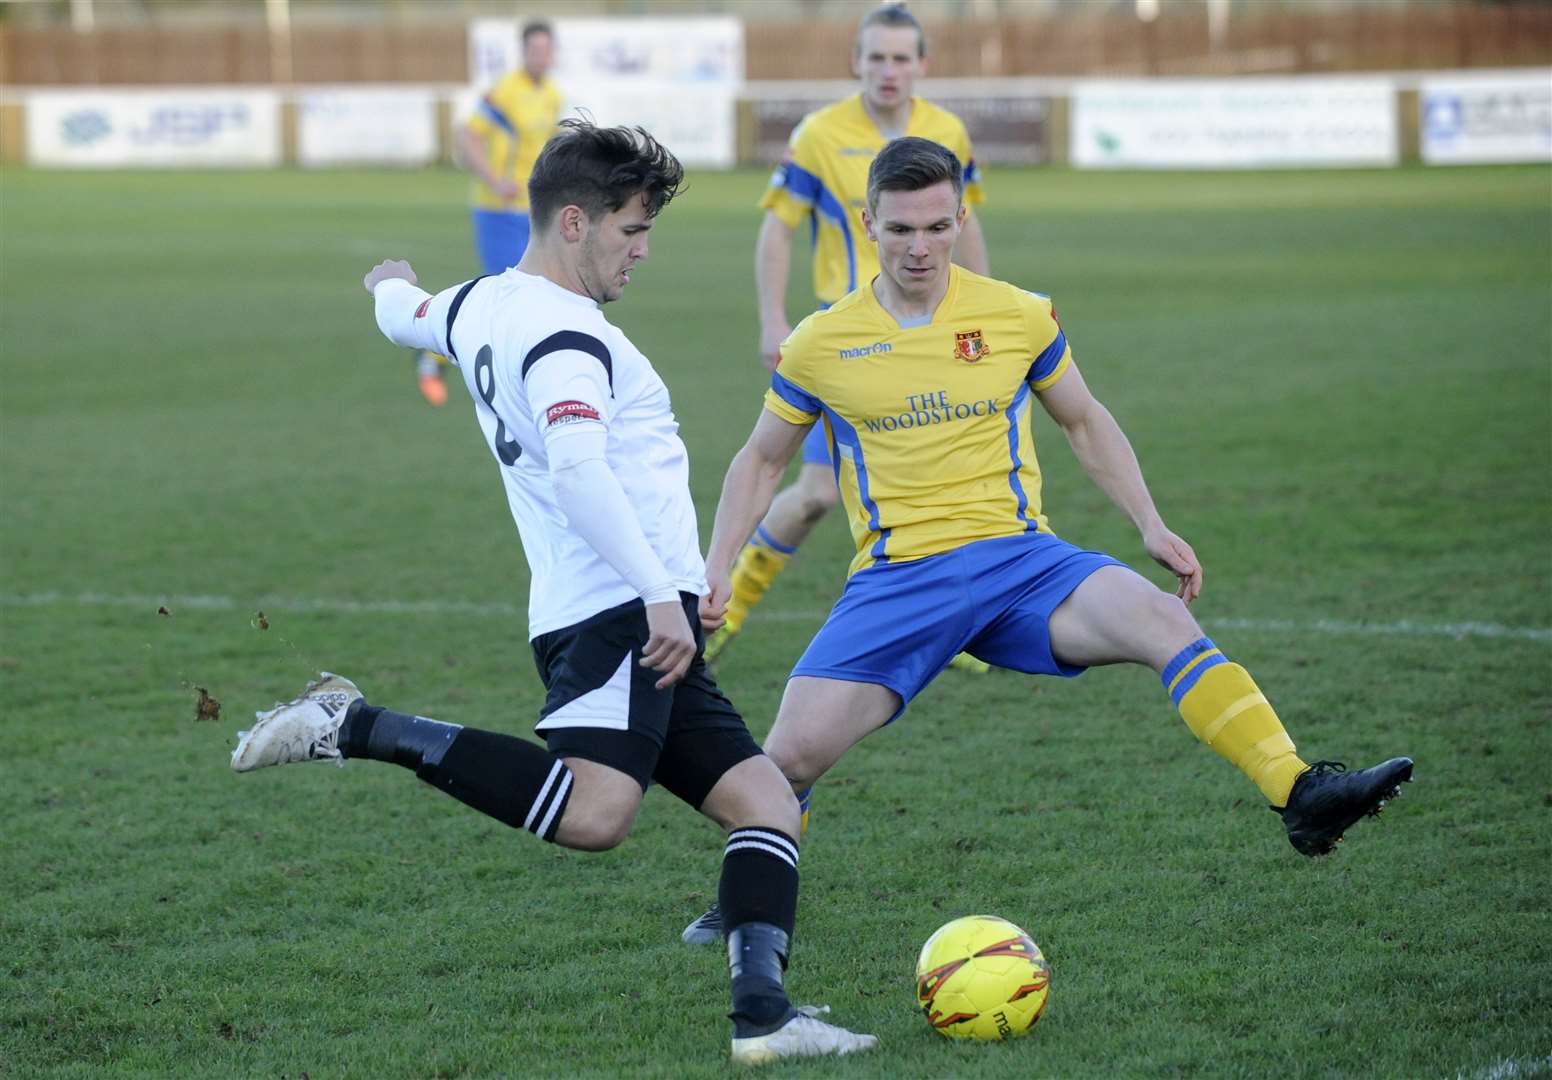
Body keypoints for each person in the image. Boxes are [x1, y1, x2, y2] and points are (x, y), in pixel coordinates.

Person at [230, 120, 876, 1067]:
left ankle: (765, 1017)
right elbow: (579, 473)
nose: (642, 249)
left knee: (767, 804)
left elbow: (403, 313)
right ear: (574, 222)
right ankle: (356, 723)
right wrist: (662, 591)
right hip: (617, 614)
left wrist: (387, 284)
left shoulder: (481, 304)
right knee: (596, 814)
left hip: (634, 615)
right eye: (630, 228)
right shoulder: (569, 339)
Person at [681, 136, 1413, 944]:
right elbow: (761, 460)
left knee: (1163, 622)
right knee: (786, 762)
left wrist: (1150, 523)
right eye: (899, 230)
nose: (919, 247)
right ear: (867, 224)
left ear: (960, 218)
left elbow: (1083, 419)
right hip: (899, 580)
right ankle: (749, 897)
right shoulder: (823, 341)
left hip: (1021, 563)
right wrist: (717, 567)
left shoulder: (1017, 313)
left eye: (935, 226)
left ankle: (1299, 793)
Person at [705, 2, 990, 675]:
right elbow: (776, 228)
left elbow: (966, 222)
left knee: (942, 478)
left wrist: (987, 305)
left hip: (933, 333)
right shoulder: (820, 134)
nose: (888, 70)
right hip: (853, 342)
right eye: (876, 57)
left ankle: (956, 627)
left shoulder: (947, 131)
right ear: (855, 62)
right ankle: (727, 604)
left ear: (922, 64)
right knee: (817, 494)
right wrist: (773, 319)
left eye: (901, 57)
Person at [416, 20, 566, 407]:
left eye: (546, 50)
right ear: (524, 52)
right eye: (534, 50)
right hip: (498, 209)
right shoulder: (505, 92)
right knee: (507, 290)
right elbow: (467, 135)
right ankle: (433, 349)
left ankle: (446, 350)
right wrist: (495, 181)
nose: (541, 57)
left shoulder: (551, 93)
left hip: (534, 209)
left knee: (526, 290)